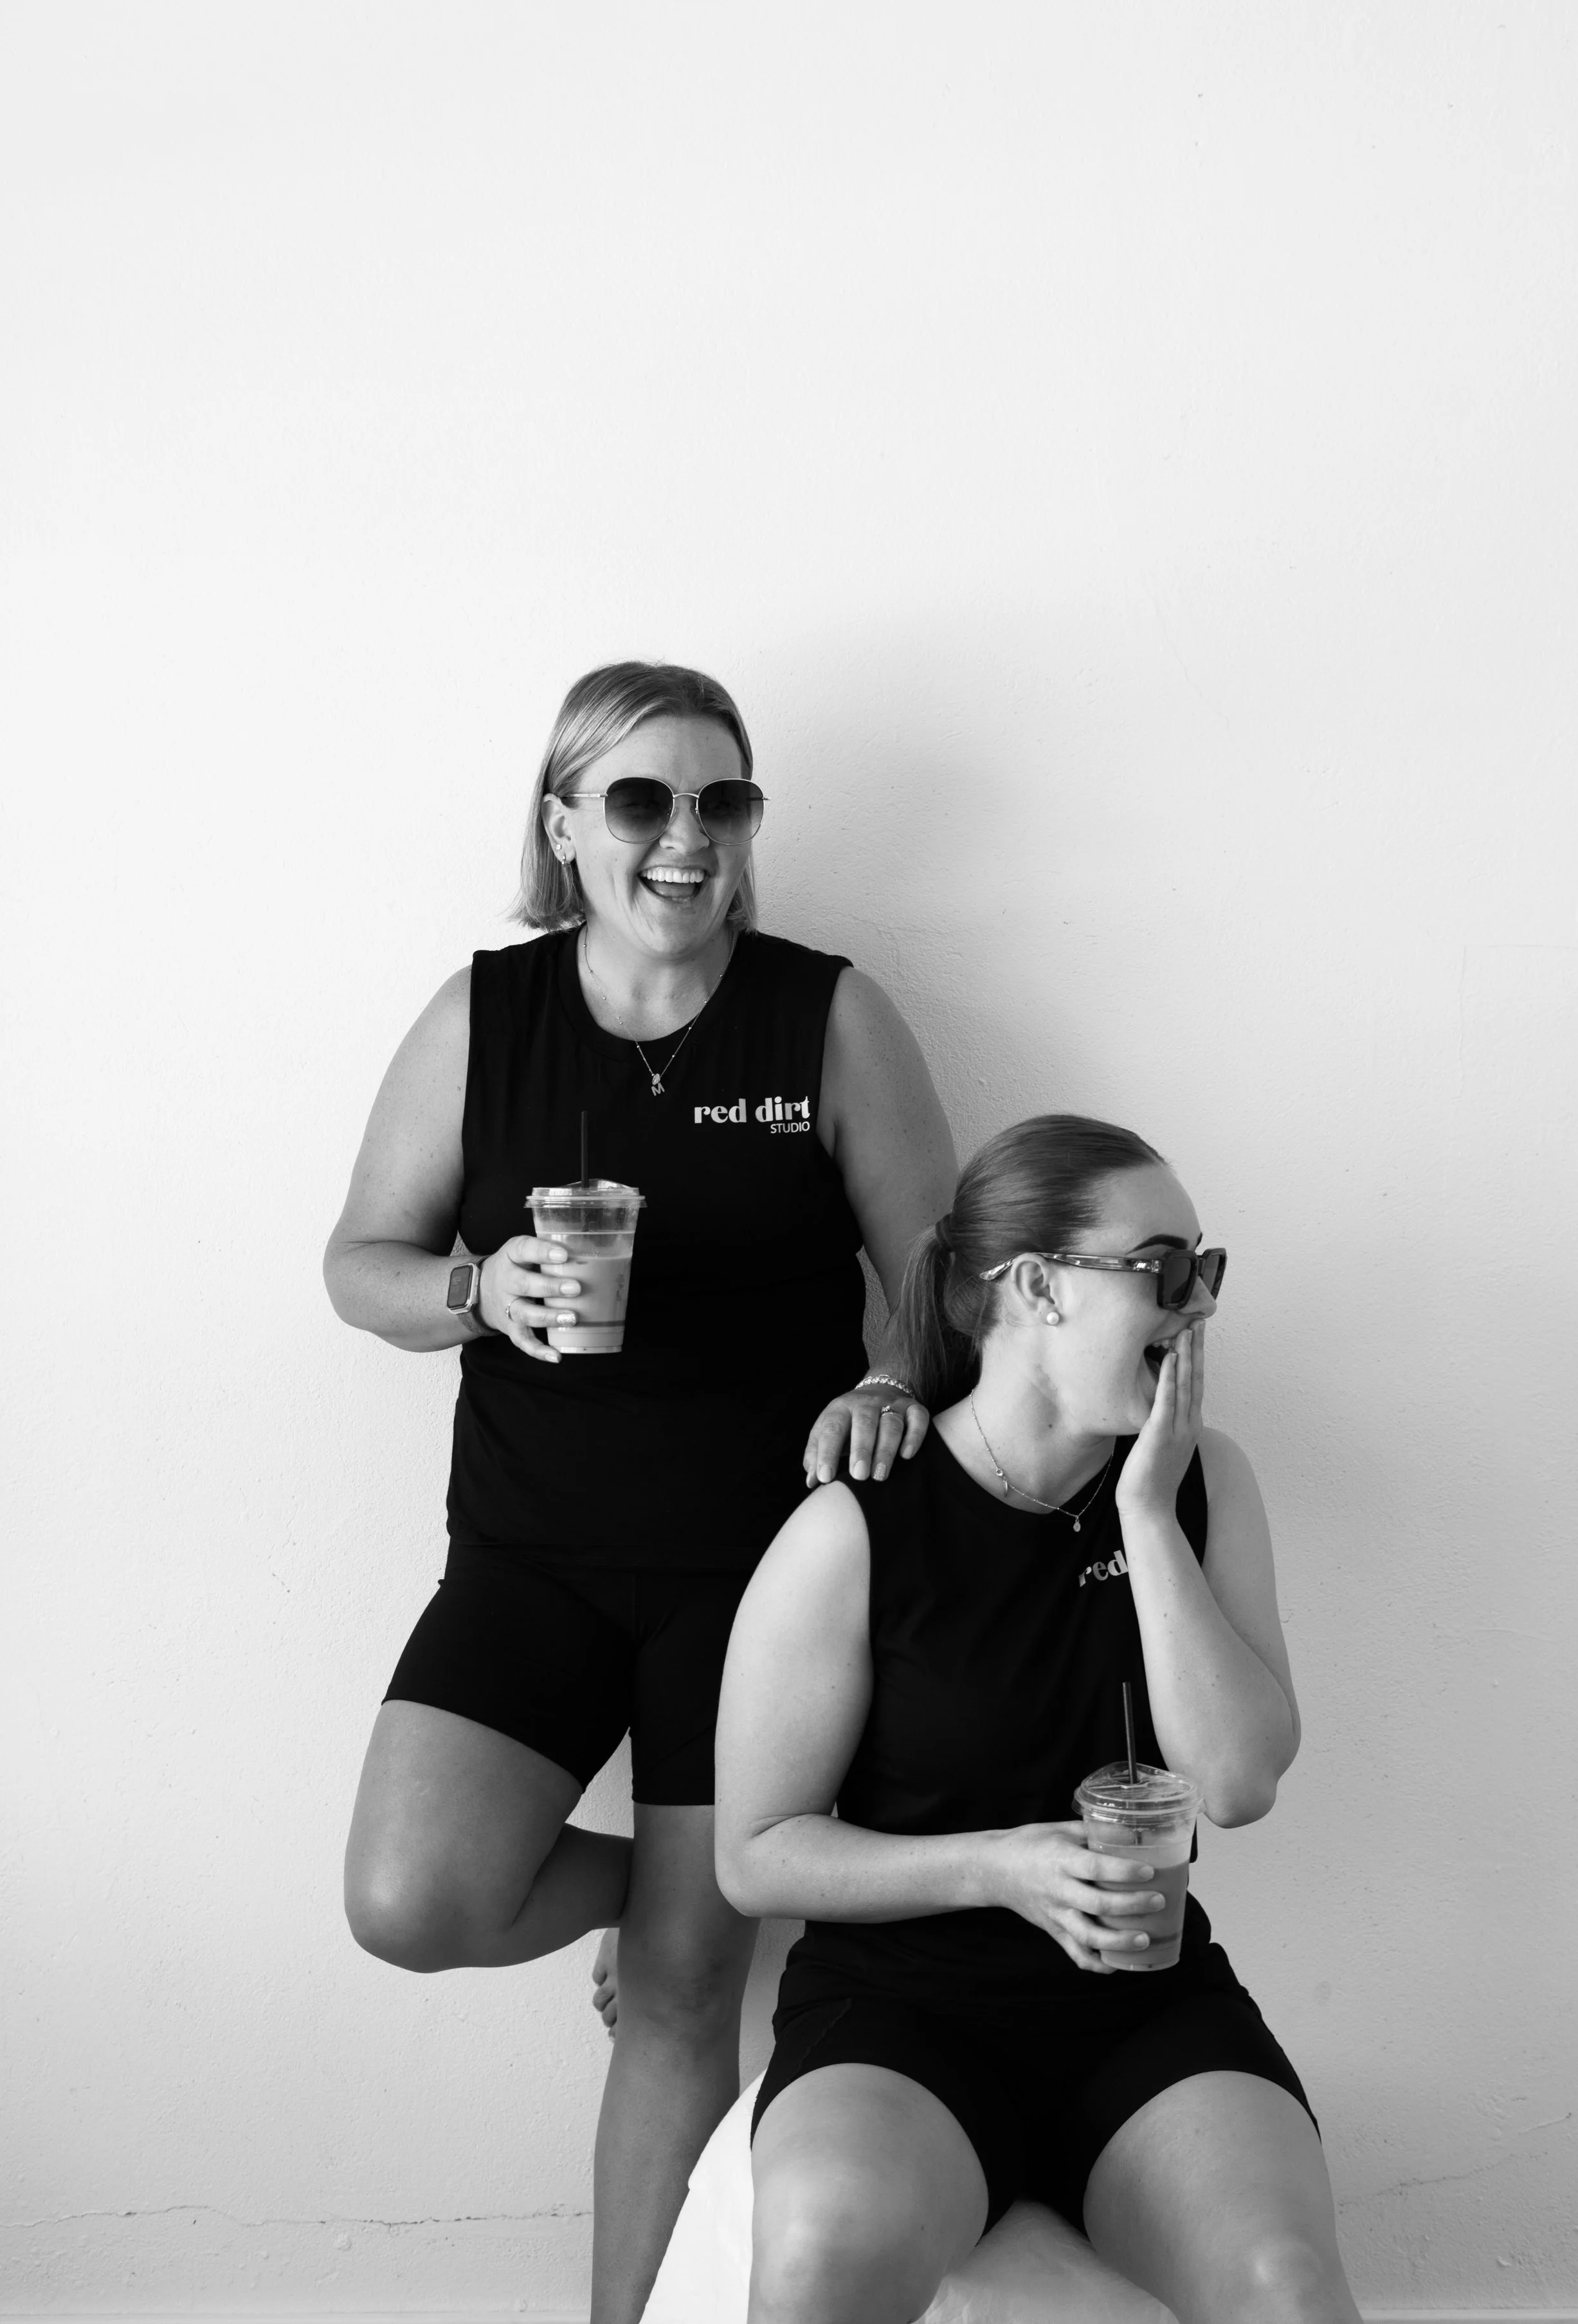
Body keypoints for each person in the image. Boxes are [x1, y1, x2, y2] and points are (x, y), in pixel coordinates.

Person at [323, 662, 956, 2324]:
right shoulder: (486, 1011)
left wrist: (891, 1381)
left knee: (687, 2000)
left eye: (721, 799)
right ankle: (674, 1875)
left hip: (758, 1577)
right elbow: (358, 1263)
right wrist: (481, 1290)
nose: (687, 836)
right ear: (564, 824)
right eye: (640, 798)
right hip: (528, 1557)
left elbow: (939, 1273)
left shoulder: (826, 1013)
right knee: (413, 1898)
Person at [716, 1114, 1363, 2324]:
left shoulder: (1204, 1483)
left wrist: (1150, 1515)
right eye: (1165, 1269)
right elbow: (755, 1851)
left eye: (1207, 1269)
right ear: (1035, 1289)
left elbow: (1235, 1784)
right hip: (900, 2012)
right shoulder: (856, 1525)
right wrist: (1003, 1867)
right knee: (818, 2263)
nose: (1199, 1306)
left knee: (1286, 2289)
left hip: (1143, 2005)